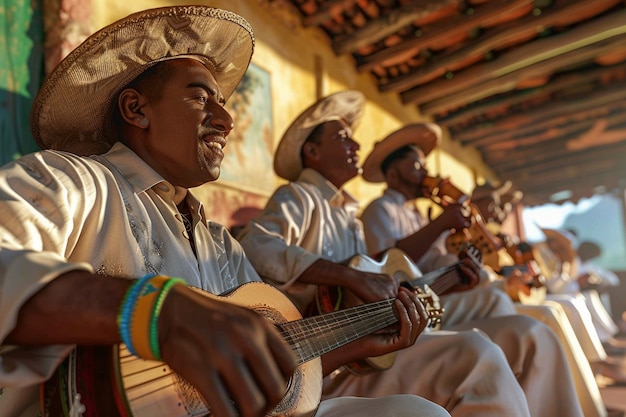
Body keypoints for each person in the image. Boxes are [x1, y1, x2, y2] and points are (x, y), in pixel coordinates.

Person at [0, 7, 453, 417]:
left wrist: (347, 347)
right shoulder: (72, 182)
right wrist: (157, 311)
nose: (226, 119)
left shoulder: (219, 243)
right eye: (201, 99)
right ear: (136, 109)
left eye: (224, 104)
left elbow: (259, 369)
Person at [237, 91, 582, 417]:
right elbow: (257, 245)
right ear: (311, 152)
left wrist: (450, 283)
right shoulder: (297, 197)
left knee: (518, 337)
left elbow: (383, 280)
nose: (355, 144)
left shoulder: (350, 218)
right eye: (342, 138)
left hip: (363, 352)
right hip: (317, 366)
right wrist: (347, 275)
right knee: (480, 355)